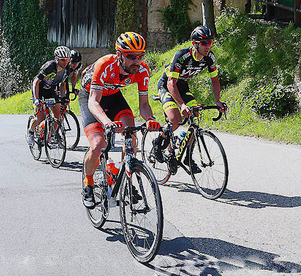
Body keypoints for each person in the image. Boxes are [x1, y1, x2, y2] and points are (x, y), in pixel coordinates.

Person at [79, 32, 161, 209]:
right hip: (91, 97)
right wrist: (107, 123)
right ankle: (88, 182)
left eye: (140, 56)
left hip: (114, 96)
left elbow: (144, 104)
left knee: (130, 134)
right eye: (131, 56)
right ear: (119, 55)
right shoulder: (104, 65)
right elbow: (93, 101)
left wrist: (150, 119)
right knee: (98, 144)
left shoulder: (143, 70)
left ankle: (126, 179)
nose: (137, 61)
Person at [152, 25, 227, 173]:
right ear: (195, 43)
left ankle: (187, 157)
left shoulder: (209, 57)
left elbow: (215, 80)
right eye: (204, 43)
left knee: (195, 117)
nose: (208, 46)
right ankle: (158, 143)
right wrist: (181, 105)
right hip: (167, 85)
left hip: (183, 86)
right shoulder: (182, 55)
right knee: (175, 119)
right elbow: (171, 83)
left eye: (210, 43)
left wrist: (217, 101)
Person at [27, 46, 71, 146]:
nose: (65, 62)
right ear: (56, 59)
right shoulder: (49, 66)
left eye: (67, 60)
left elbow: (63, 84)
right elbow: (36, 82)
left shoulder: (66, 69)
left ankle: (50, 135)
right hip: (40, 90)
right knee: (40, 118)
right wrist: (36, 99)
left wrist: (64, 98)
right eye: (62, 60)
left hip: (51, 90)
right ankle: (31, 132)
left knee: (58, 115)